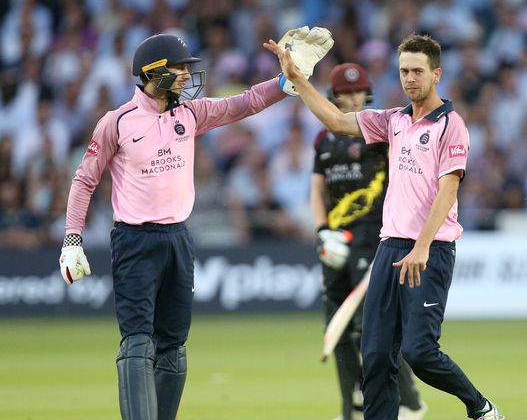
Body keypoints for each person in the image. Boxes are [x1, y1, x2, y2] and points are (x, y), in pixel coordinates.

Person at [58, 29, 332, 420]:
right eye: (180, 68)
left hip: (178, 239)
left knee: (173, 347)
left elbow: (246, 103)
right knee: (138, 343)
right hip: (134, 240)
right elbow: (84, 179)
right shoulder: (116, 122)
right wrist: (72, 239)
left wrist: (287, 80)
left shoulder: (190, 113)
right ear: (153, 72)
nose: (187, 76)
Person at [266, 33, 504, 420]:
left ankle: (480, 407)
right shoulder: (393, 120)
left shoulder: (451, 125)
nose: (410, 78)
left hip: (430, 250)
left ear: (436, 74)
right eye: (404, 71)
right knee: (375, 355)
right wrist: (297, 79)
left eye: (417, 71)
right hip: (389, 248)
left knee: (419, 352)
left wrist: (422, 247)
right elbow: (335, 120)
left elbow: (448, 191)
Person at [311, 62, 427, 420]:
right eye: (344, 93)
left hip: (375, 238)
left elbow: (403, 180)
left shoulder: (380, 133)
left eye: (357, 91)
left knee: (369, 325)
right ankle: (350, 411)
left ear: (368, 93)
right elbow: (317, 190)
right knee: (338, 328)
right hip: (335, 241)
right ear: (333, 96)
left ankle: (408, 402)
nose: (352, 98)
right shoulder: (324, 139)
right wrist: (322, 231)